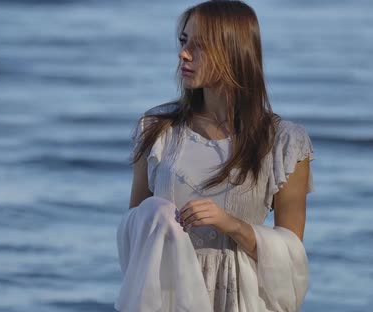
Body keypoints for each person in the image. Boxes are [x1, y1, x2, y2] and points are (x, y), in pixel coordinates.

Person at [115, 1, 315, 311]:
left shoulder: (283, 142)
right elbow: (129, 233)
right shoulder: (156, 130)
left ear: (234, 51)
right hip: (169, 300)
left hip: (240, 301)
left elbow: (292, 258)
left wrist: (231, 225)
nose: (183, 53)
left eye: (199, 46)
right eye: (183, 41)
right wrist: (155, 215)